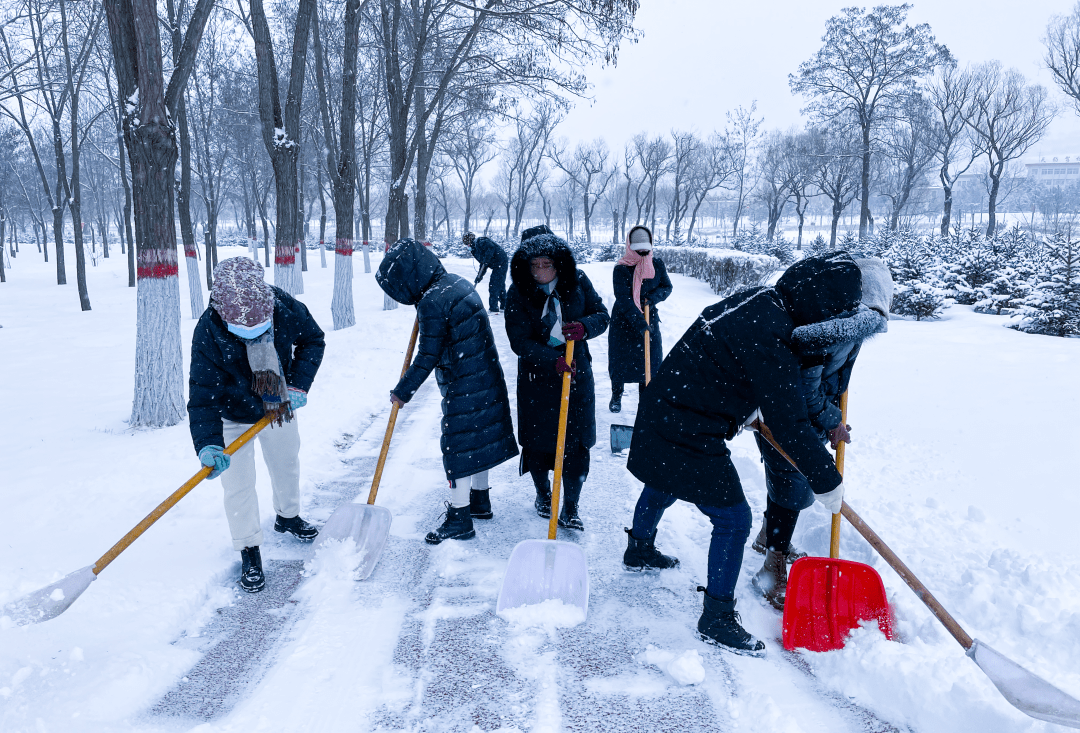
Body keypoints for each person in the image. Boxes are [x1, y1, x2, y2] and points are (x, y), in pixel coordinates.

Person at [622, 253, 862, 656]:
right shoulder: (773, 335)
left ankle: (639, 548)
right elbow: (790, 424)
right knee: (734, 519)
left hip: (668, 407)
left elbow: (730, 362)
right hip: (689, 426)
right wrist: (827, 481)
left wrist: (741, 403)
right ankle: (716, 617)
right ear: (820, 307)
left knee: (667, 477)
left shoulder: (761, 301)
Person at [750, 255, 893, 610]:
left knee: (785, 481)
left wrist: (831, 413)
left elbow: (829, 377)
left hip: (797, 407)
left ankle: (770, 537)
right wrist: (829, 419)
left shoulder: (852, 324)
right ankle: (772, 565)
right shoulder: (828, 323)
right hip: (786, 410)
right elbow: (804, 387)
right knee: (794, 486)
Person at [188, 257, 325, 593]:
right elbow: (202, 395)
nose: (250, 333)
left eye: (259, 326)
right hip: (231, 414)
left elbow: (313, 340)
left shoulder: (283, 306)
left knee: (285, 463)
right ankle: (248, 547)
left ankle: (288, 516)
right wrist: (208, 444)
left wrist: (297, 385)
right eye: (241, 329)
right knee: (238, 485)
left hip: (276, 402)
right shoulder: (208, 330)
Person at [376, 238, 518, 544]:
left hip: (464, 384)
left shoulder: (432, 301)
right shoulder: (456, 282)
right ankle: (480, 501)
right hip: (485, 376)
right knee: (478, 441)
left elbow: (427, 356)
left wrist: (403, 391)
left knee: (458, 448)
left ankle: (459, 518)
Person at [505, 225, 610, 530]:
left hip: (577, 375)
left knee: (576, 444)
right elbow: (518, 340)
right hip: (537, 379)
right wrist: (553, 360)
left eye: (546, 264)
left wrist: (585, 327)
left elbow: (602, 314)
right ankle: (543, 494)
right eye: (534, 265)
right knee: (539, 443)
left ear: (558, 262)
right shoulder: (518, 292)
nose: (540, 271)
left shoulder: (577, 282)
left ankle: (572, 506)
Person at [608, 225, 673, 413]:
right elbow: (623, 298)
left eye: (646, 248)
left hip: (649, 317)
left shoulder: (657, 264)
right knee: (620, 362)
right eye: (639, 249)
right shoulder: (621, 268)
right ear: (630, 246)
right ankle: (616, 395)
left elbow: (666, 287)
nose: (643, 252)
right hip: (624, 321)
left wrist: (652, 298)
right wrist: (639, 323)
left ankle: (645, 401)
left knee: (649, 365)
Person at [464, 231, 509, 313]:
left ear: (470, 241)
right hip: (496, 264)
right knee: (500, 284)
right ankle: (505, 305)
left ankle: (493, 308)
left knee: (494, 285)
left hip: (501, 262)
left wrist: (486, 260)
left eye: (467, 244)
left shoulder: (481, 241)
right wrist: (479, 277)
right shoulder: (474, 250)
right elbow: (483, 264)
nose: (467, 246)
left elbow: (490, 250)